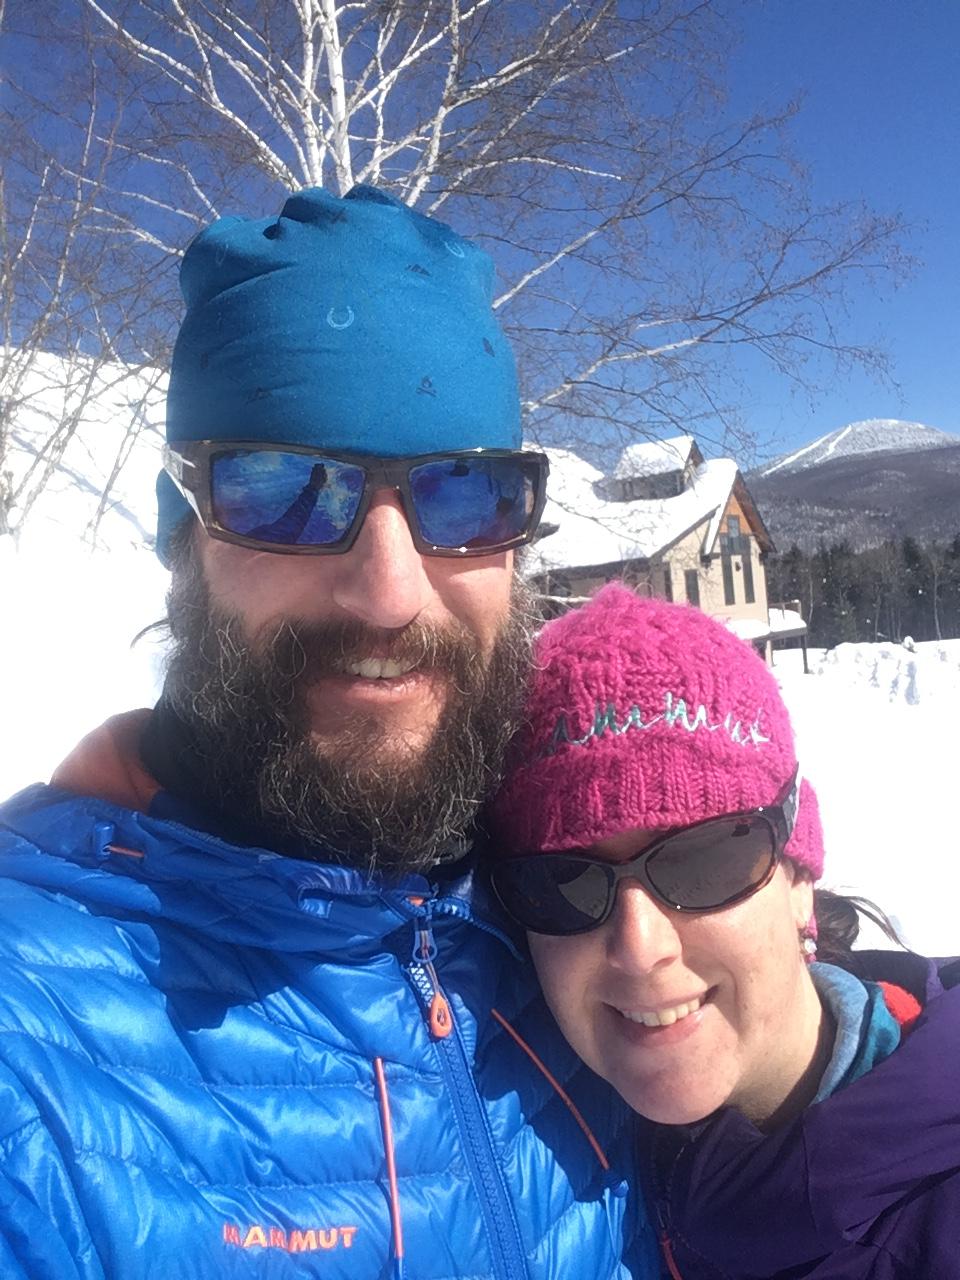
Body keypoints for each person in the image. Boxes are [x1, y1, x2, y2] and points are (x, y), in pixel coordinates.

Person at [0, 188, 657, 1278]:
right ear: (184, 544)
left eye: (467, 496)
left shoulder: (583, 924)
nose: (391, 594)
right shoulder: (31, 1047)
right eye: (289, 491)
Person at [488, 583, 960, 1279]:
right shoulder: (558, 1186)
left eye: (703, 860)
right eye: (565, 883)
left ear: (799, 875)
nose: (642, 947)